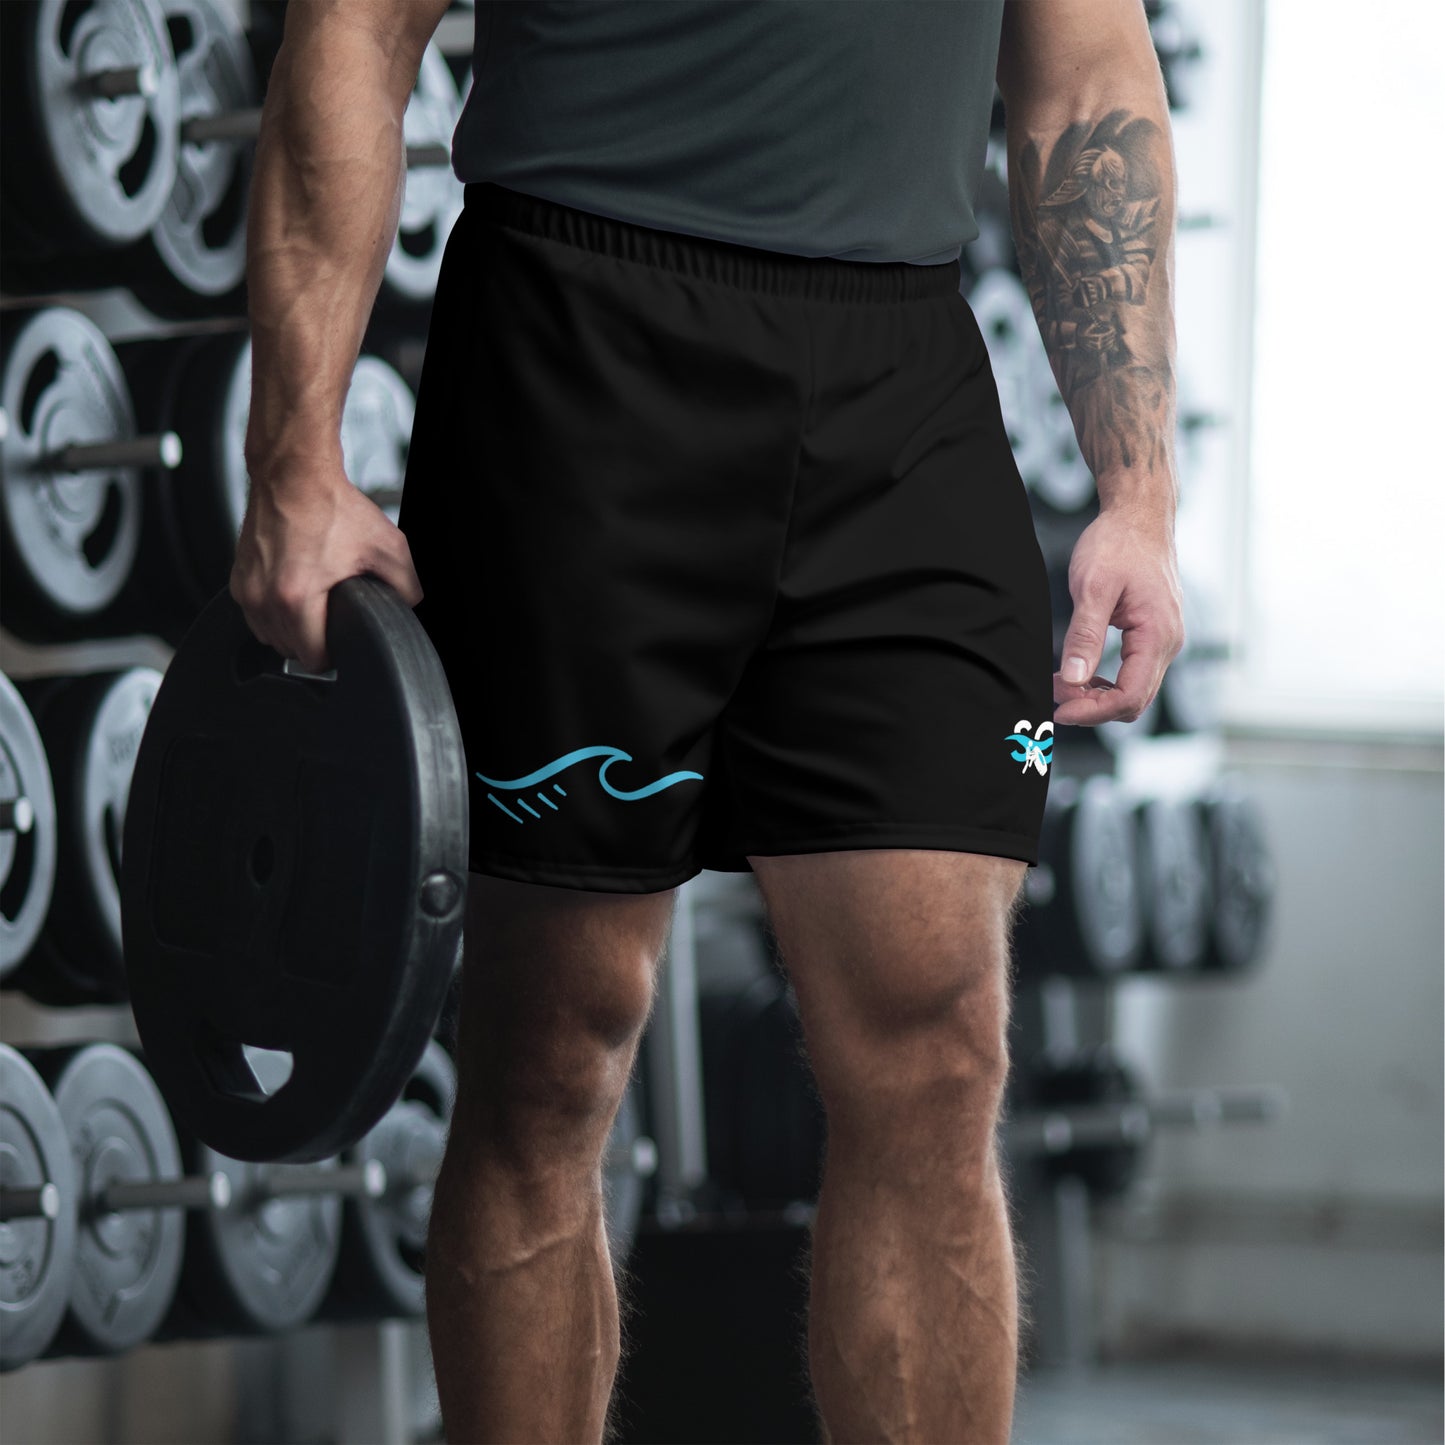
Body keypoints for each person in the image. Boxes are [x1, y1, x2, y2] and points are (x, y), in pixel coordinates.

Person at [231, 1, 1184, 1439]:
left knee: (939, 1047)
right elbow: (357, 27)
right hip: (577, 349)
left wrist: (1137, 487)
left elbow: (1086, 70)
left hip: (904, 378)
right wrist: (294, 455)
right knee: (550, 1052)